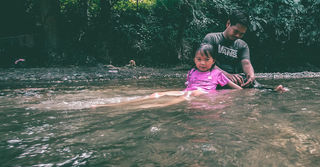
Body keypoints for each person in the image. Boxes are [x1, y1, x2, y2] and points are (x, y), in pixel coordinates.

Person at [93, 43, 242, 108]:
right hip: (189, 92)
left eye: (206, 60)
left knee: (189, 95)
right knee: (157, 94)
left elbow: (236, 89)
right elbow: (187, 86)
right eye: (198, 59)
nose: (202, 63)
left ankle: (148, 107)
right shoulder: (191, 72)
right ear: (194, 60)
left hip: (201, 94)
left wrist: (222, 96)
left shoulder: (216, 73)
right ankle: (116, 104)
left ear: (213, 61)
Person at [203, 11, 287, 92]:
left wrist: (251, 76)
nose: (238, 36)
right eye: (235, 31)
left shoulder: (242, 45)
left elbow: (246, 63)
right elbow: (205, 63)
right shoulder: (211, 38)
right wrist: (226, 75)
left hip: (233, 79)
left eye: (241, 34)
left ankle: (272, 91)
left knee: (251, 82)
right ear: (228, 24)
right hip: (214, 75)